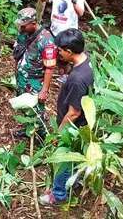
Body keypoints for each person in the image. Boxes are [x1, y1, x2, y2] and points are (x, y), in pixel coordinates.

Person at [38, 28, 94, 205]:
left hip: (74, 127)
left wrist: (59, 133)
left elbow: (74, 112)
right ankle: (73, 181)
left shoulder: (78, 78)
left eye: (60, 50)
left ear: (69, 51)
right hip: (84, 124)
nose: (58, 53)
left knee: (64, 158)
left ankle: (59, 194)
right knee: (74, 157)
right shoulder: (87, 62)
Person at [12, 7, 57, 138]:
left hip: (35, 81)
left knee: (37, 111)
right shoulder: (23, 33)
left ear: (33, 23)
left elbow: (49, 68)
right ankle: (29, 130)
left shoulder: (46, 40)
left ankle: (43, 136)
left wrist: (44, 90)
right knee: (26, 108)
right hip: (22, 78)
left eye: (24, 26)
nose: (21, 28)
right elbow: (18, 53)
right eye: (20, 25)